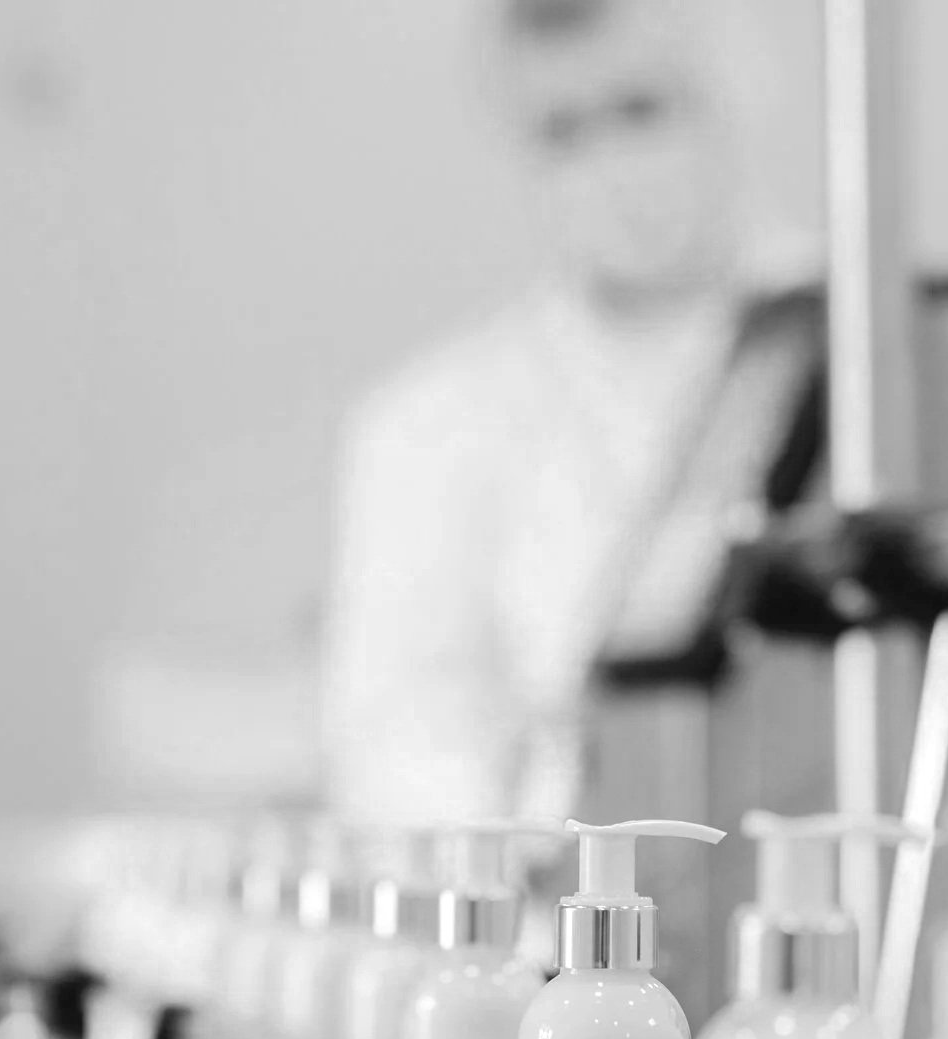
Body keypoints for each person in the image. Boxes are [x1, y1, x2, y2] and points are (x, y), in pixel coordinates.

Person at [322, 0, 815, 825]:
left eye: (640, 108)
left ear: (726, 94)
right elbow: (390, 735)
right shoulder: (434, 423)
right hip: (571, 918)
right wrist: (544, 812)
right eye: (563, 131)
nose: (611, 161)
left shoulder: (869, 359)